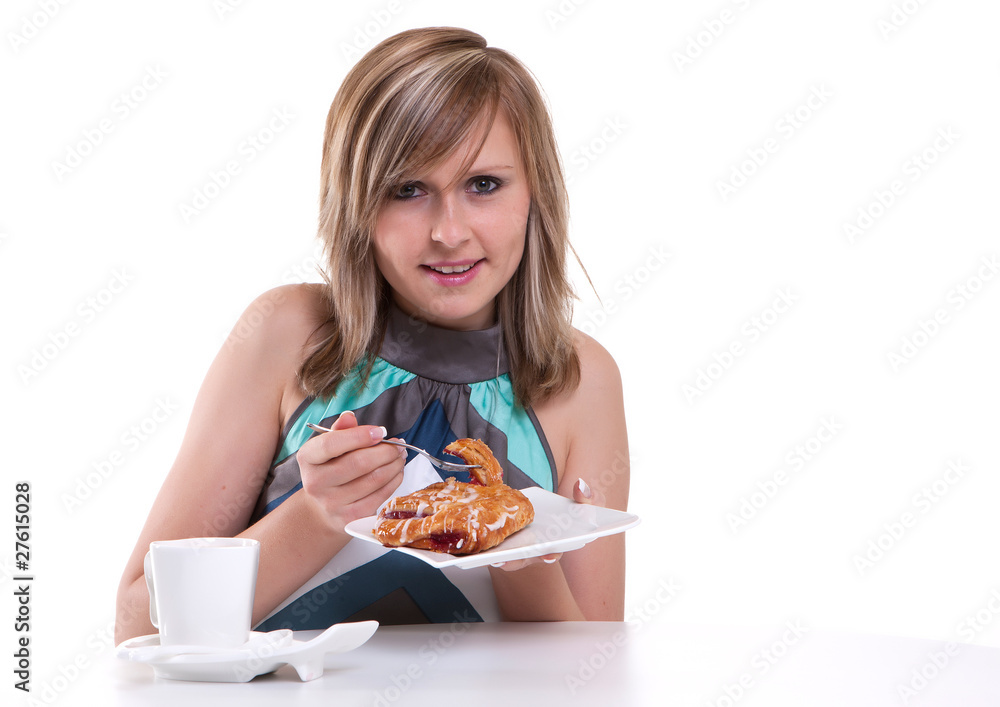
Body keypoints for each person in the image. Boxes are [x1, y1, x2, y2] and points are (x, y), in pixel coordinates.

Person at [115, 26, 630, 642]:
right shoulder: (285, 334)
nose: (449, 232)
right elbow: (136, 624)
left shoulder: (582, 380)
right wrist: (317, 514)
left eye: (483, 185)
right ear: (356, 203)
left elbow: (599, 668)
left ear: (535, 191)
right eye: (408, 190)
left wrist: (521, 553)